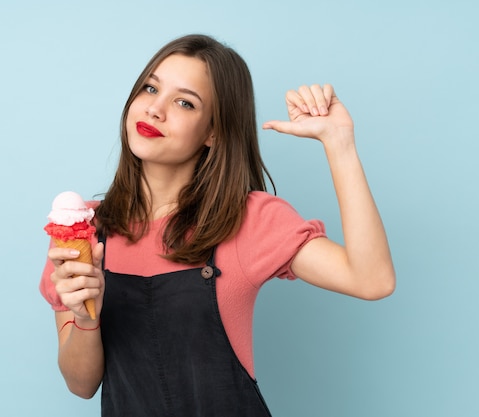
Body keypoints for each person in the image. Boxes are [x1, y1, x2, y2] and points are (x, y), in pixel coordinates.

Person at [39, 34, 395, 416]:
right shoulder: (84, 231)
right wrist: (83, 315)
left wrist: (339, 144)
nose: (155, 109)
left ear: (214, 132)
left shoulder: (249, 220)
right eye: (150, 88)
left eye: (184, 102)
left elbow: (372, 279)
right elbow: (81, 385)